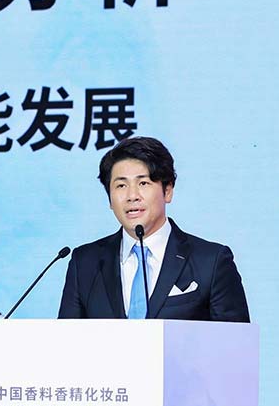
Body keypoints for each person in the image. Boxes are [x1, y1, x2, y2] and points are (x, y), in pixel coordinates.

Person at [58, 136, 250, 321]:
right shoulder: (84, 263)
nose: (132, 196)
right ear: (109, 198)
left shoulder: (211, 262)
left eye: (143, 183)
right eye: (121, 185)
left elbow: (236, 340)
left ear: (167, 191)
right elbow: (65, 340)